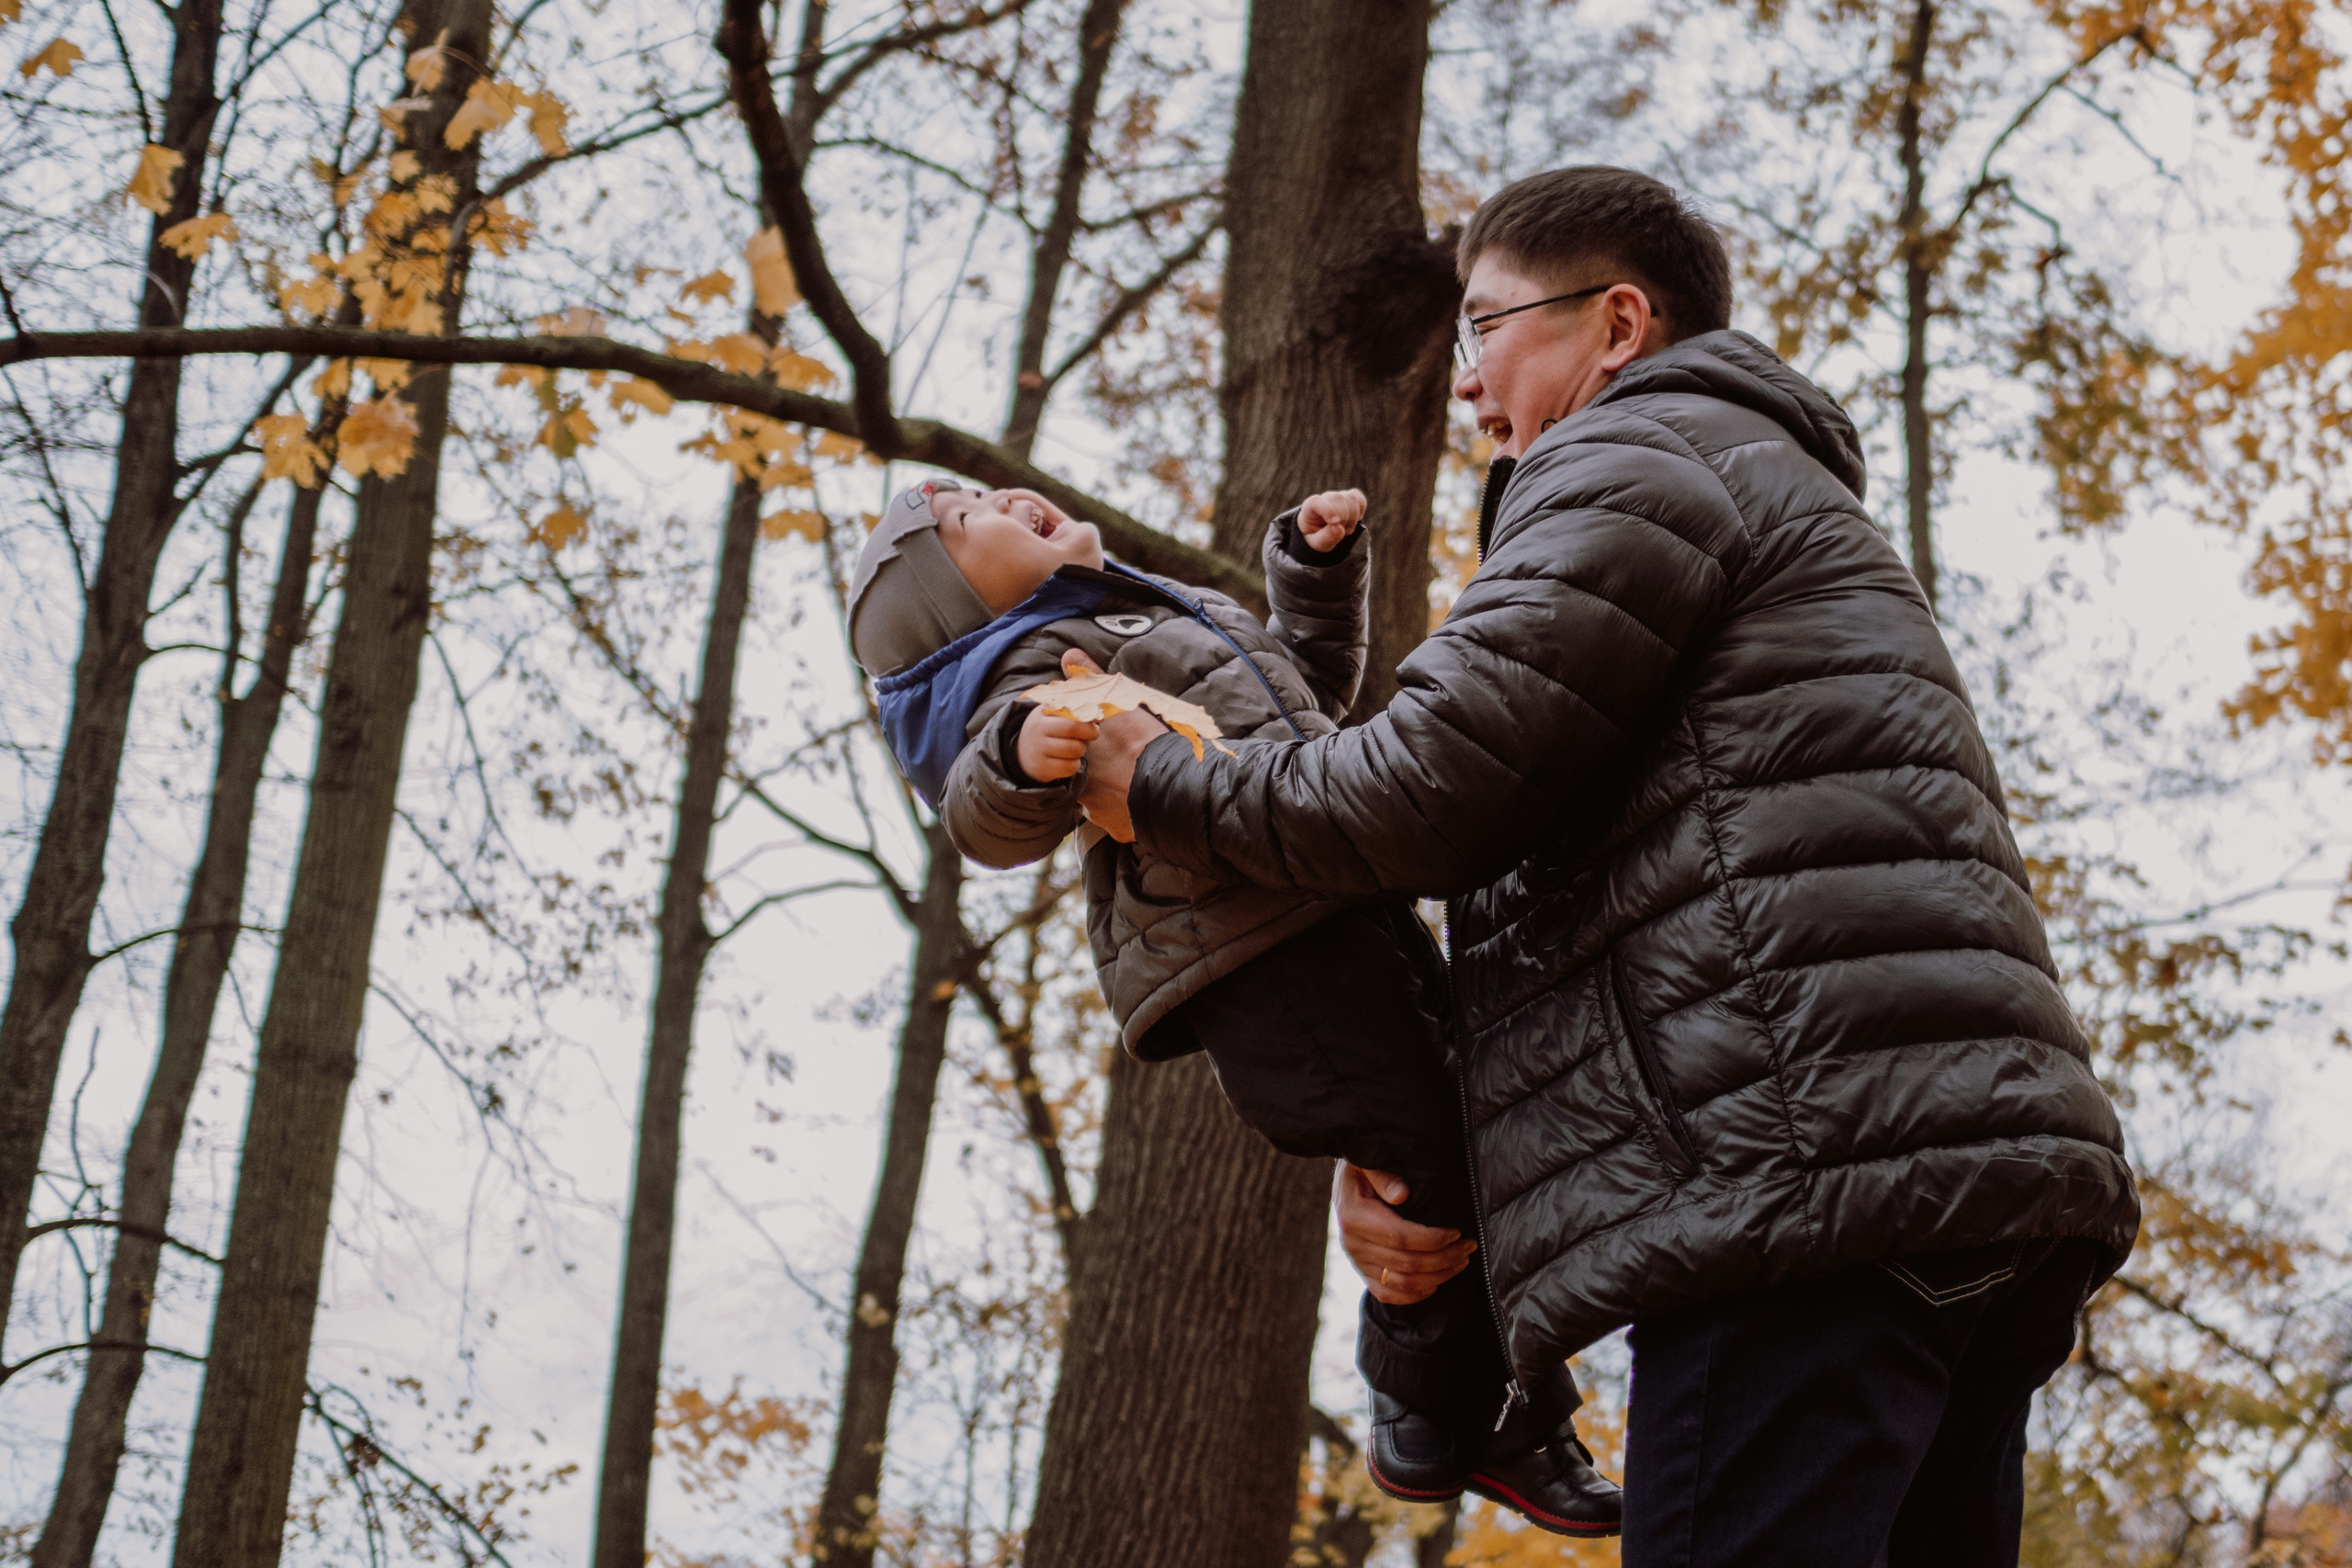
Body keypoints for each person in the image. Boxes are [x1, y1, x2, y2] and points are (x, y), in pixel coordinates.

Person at [1073, 165, 2142, 1566]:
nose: (1464, 387)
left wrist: (1157, 785)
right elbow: (1617, 901)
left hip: (1796, 1191)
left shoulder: (1639, 454)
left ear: (1618, 322)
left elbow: (1426, 786)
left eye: (1485, 328)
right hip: (1942, 1179)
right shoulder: (1750, 480)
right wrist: (1438, 1175)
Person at [844, 479, 1622, 1536]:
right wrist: (1025, 749)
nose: (1008, 496)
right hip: (1256, 955)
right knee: (1440, 1147)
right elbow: (984, 812)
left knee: (1475, 1126)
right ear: (957, 609)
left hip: (1339, 897)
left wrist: (1310, 579)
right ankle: (1459, 1408)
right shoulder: (1017, 669)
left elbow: (1303, 698)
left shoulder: (1154, 616)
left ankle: (1465, 1411)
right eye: (969, 518)